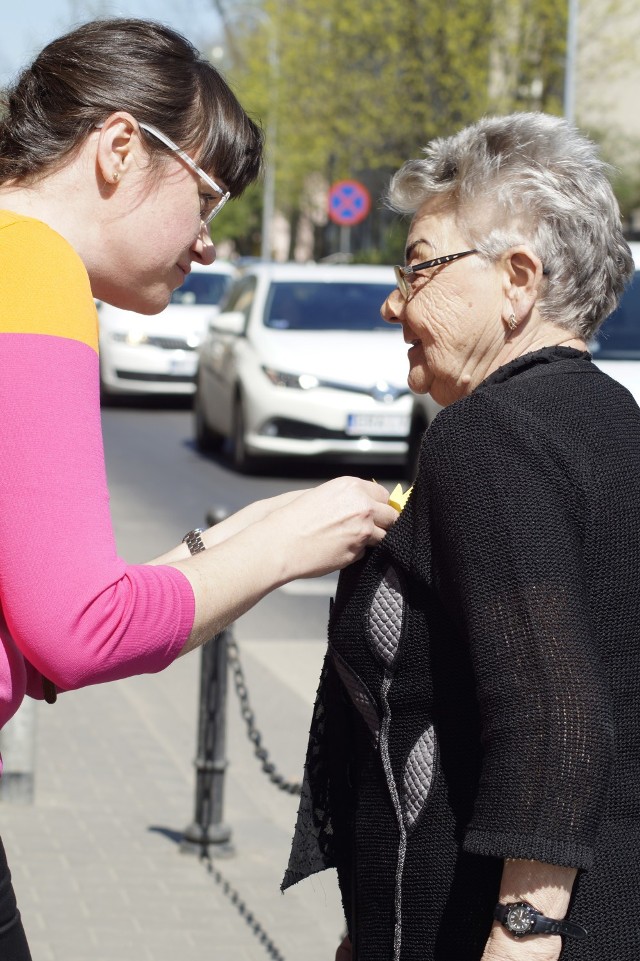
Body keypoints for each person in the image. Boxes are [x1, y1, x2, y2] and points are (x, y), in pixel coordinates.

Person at [0, 18, 398, 960]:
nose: (209, 245)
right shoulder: (29, 265)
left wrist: (236, 536)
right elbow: (79, 627)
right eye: (206, 199)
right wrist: (283, 547)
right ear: (120, 147)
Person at [283, 112, 639, 961]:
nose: (392, 300)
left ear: (518, 278)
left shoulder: (487, 433)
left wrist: (523, 934)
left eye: (418, 266)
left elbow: (557, 711)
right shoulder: (614, 418)